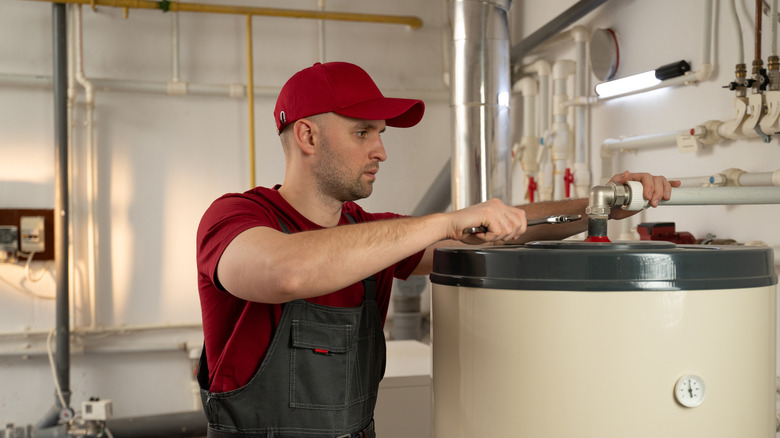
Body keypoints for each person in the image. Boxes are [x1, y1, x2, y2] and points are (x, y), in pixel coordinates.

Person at [196, 61, 678, 438]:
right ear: (307, 135)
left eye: (381, 135)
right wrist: (443, 220)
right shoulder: (236, 218)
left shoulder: (374, 236)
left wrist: (598, 205)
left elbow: (505, 232)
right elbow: (287, 271)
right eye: (363, 132)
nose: (381, 151)